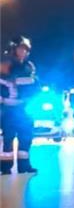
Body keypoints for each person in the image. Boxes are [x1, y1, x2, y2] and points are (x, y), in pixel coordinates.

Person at [1, 37, 39, 175]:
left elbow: (35, 84)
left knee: (26, 136)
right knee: (8, 137)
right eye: (20, 48)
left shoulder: (29, 66)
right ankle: (5, 166)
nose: (23, 51)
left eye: (25, 49)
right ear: (14, 49)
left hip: (24, 107)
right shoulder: (5, 65)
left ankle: (24, 165)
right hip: (8, 108)